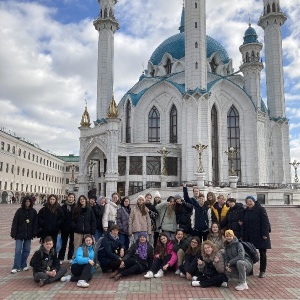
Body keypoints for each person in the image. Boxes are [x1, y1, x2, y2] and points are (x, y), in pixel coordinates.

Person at [242, 195, 271, 278]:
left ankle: (262, 270)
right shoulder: (246, 211)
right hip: (250, 235)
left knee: (262, 253)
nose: (249, 203)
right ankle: (250, 270)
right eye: (247, 202)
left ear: (254, 201)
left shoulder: (260, 209)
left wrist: (265, 234)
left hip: (261, 235)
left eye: (250, 201)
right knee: (249, 253)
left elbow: (265, 222)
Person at [10, 196, 38, 273]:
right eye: (26, 201)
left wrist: (34, 232)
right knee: (18, 250)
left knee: (27, 250)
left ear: (31, 202)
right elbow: (15, 222)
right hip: (19, 234)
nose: (27, 203)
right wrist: (13, 232)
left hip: (28, 234)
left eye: (29, 201)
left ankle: (23, 264)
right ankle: (16, 266)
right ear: (24, 202)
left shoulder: (33, 211)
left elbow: (35, 223)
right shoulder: (19, 211)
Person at [58, 192, 76, 264]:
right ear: (67, 198)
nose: (71, 198)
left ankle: (70, 257)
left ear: (74, 198)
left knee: (72, 244)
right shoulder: (63, 207)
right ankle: (60, 258)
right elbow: (60, 217)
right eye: (70, 197)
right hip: (64, 228)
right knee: (63, 243)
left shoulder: (76, 207)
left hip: (73, 228)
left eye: (72, 197)